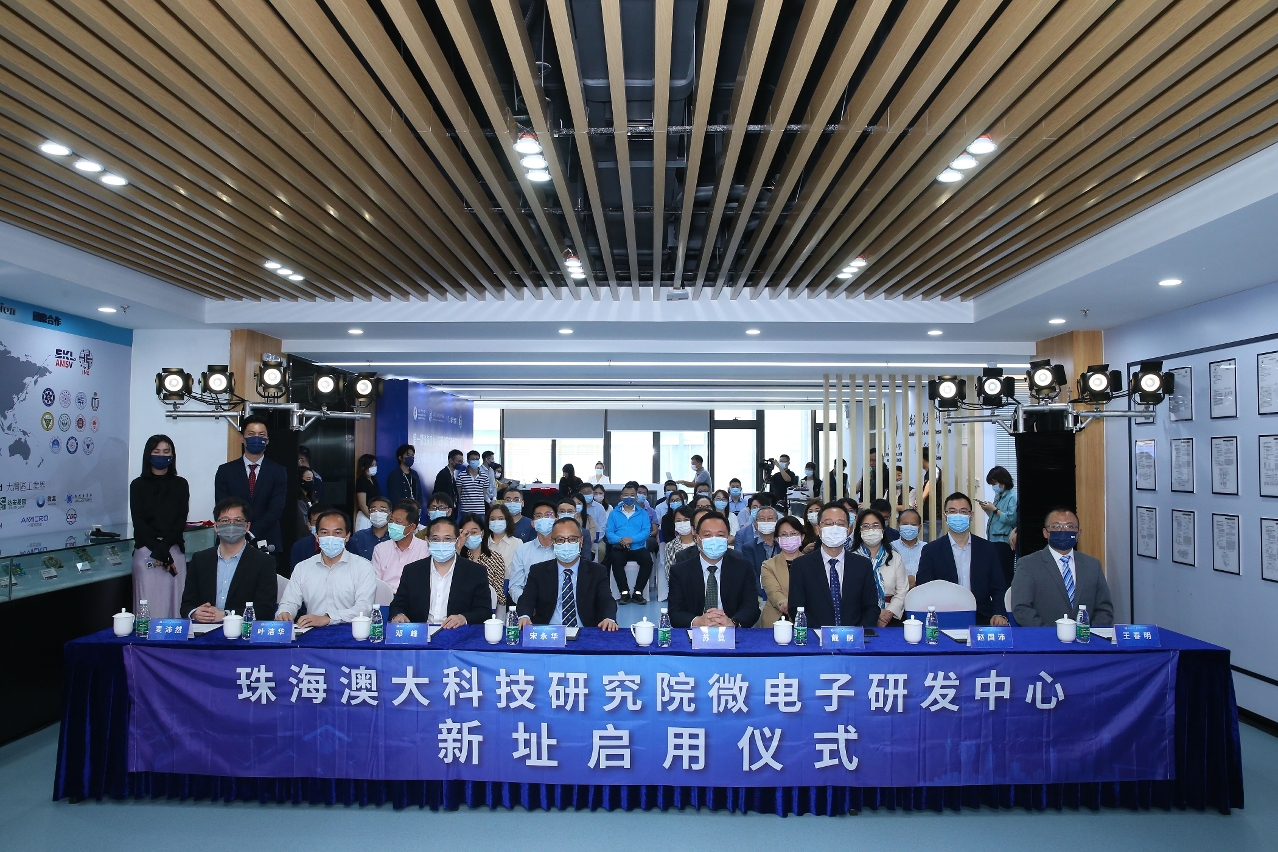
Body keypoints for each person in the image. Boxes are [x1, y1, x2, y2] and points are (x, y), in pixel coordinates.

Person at [915, 492, 1009, 626]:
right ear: (945, 516)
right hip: (944, 617)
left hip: (983, 617)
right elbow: (924, 587)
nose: (958, 515)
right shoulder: (931, 550)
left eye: (963, 511)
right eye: (953, 511)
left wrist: (999, 613)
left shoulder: (987, 548)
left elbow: (999, 587)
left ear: (971, 515)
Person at [1010, 507, 1114, 627]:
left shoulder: (1093, 565)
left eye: (1070, 526)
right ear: (1045, 533)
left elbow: (1104, 609)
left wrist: (1089, 633)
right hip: (1045, 636)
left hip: (1087, 637)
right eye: (1056, 526)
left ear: (1079, 533)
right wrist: (1051, 633)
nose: (1063, 531)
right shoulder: (1028, 564)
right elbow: (1021, 609)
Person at [182, 497, 278, 622]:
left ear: (247, 526)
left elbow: (265, 610)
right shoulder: (200, 560)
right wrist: (195, 613)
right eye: (225, 520)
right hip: (204, 629)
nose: (231, 525)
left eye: (238, 520)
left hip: (243, 631)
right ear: (216, 526)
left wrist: (226, 615)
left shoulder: (264, 562)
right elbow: (186, 605)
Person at [787, 502, 880, 628]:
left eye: (840, 524)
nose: (834, 528)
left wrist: (855, 632)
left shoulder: (863, 565)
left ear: (848, 530)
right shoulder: (801, 565)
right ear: (818, 529)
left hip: (854, 636)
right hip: (815, 636)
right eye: (828, 523)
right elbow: (795, 607)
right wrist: (821, 633)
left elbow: (871, 607)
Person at [277, 509, 376, 627]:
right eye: (324, 533)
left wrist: (328, 618)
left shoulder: (363, 567)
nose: (331, 538)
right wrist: (285, 613)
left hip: (350, 631)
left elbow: (364, 608)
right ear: (317, 537)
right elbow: (289, 602)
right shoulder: (302, 567)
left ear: (347, 536)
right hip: (311, 631)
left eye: (337, 533)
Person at [516, 517, 619, 630]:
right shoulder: (538, 571)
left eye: (572, 539)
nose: (566, 544)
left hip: (585, 632)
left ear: (581, 541)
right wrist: (524, 616)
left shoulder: (597, 571)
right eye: (560, 540)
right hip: (548, 632)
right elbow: (526, 599)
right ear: (553, 542)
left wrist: (608, 618)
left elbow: (606, 600)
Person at [389, 515, 491, 628]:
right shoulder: (412, 571)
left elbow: (484, 611)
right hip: (420, 632)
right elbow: (398, 604)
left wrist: (463, 618)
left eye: (447, 539)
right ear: (427, 541)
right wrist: (398, 614)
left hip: (457, 633)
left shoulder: (475, 572)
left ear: (457, 541)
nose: (441, 543)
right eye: (436, 539)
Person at [130, 434, 190, 619]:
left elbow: (180, 520)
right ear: (148, 454)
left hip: (174, 551)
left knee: (176, 606)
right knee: (148, 609)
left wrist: (165, 551)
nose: (162, 455)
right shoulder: (137, 485)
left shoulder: (181, 484)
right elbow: (139, 524)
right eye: (156, 451)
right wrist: (160, 553)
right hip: (146, 552)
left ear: (172, 455)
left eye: (166, 451)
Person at [666, 512, 760, 629]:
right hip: (694, 632)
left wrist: (733, 622)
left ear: (728, 538)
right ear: (697, 538)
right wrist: (697, 621)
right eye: (707, 535)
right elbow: (675, 612)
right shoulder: (680, 571)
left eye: (720, 535)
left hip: (732, 631)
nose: (714, 540)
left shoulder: (743, 568)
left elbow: (751, 608)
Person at [214, 416, 286, 559]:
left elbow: (276, 509)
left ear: (267, 440)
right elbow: (223, 506)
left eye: (261, 435)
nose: (256, 438)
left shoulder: (278, 471)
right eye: (251, 434)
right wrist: (240, 530)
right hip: (230, 538)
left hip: (267, 540)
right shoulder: (225, 471)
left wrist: (250, 533)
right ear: (242, 438)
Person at [854, 507, 910, 627]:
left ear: (883, 530)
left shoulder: (895, 557)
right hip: (860, 617)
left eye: (875, 525)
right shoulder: (851, 558)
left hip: (890, 617)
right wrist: (875, 613)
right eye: (866, 526)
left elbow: (902, 590)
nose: (871, 530)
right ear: (859, 531)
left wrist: (888, 613)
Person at [606, 481, 655, 604]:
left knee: (647, 561)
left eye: (632, 495)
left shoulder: (643, 513)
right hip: (620, 547)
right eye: (626, 495)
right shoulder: (614, 513)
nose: (629, 497)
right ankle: (624, 593)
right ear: (621, 497)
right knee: (615, 559)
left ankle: (638, 592)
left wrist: (631, 539)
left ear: (636, 497)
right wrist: (620, 540)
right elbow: (609, 533)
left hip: (638, 547)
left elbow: (646, 532)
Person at [760, 516, 809, 628]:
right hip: (776, 619)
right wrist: (784, 603)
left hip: (806, 619)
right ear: (777, 539)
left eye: (793, 534)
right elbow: (773, 592)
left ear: (802, 537)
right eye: (784, 535)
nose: (789, 537)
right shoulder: (768, 565)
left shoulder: (812, 563)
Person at [370, 500, 429, 592]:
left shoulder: (425, 548)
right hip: (386, 596)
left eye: (398, 522)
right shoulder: (380, 549)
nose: (393, 525)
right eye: (391, 521)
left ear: (412, 527)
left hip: (412, 597)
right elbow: (375, 581)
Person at [507, 500, 558, 604]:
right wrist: (528, 604)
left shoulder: (564, 549)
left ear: (556, 520)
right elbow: (515, 586)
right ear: (533, 523)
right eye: (538, 516)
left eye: (548, 515)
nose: (543, 519)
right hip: (530, 607)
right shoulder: (522, 551)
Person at [979, 465, 1018, 586]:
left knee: (1005, 573)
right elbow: (995, 517)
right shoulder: (999, 496)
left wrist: (994, 509)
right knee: (995, 572)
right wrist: (987, 509)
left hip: (1003, 540)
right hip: (993, 538)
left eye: (994, 483)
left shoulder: (1012, 497)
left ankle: (1007, 595)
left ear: (1003, 481)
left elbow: (1011, 518)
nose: (993, 487)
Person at [459, 512, 505, 610]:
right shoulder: (457, 558)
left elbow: (499, 595)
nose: (470, 536)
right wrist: (458, 547)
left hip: (487, 608)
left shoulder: (495, 558)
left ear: (482, 533)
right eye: (466, 533)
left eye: (474, 532)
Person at [738, 504, 780, 594]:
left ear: (777, 522)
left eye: (770, 518)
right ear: (755, 524)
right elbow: (751, 575)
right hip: (761, 594)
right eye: (762, 519)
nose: (766, 522)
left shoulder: (783, 544)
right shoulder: (748, 548)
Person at [348, 496, 392, 560]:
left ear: (390, 514)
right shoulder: (359, 537)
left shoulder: (396, 536)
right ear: (369, 513)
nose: (377, 513)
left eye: (383, 510)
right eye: (373, 510)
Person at [486, 503, 520, 582]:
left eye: (500, 519)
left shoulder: (517, 543)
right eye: (492, 519)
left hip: (510, 584)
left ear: (507, 521)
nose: (496, 522)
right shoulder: (483, 544)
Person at [454, 450, 494, 516]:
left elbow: (484, 494)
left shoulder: (485, 477)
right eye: (473, 459)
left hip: (480, 511)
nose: (475, 461)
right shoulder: (461, 476)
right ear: (468, 461)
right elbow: (459, 494)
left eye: (477, 459)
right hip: (466, 512)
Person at [892, 508, 925, 585]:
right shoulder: (890, 548)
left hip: (923, 589)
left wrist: (916, 579)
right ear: (898, 525)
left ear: (919, 527)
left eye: (913, 525)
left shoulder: (927, 548)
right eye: (905, 524)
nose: (909, 527)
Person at [663, 505, 698, 576]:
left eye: (686, 520)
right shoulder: (670, 546)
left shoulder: (701, 543)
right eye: (678, 521)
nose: (682, 523)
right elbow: (669, 573)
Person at [289, 503, 324, 569]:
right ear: (309, 525)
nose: (320, 526)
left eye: (323, 522)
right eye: (315, 522)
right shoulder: (300, 547)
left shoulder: (342, 543)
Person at [353, 453, 380, 532]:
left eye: (375, 465)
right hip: (365, 516)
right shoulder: (361, 481)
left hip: (375, 515)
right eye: (371, 465)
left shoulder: (374, 481)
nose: (374, 467)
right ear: (363, 467)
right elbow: (362, 505)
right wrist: (372, 518)